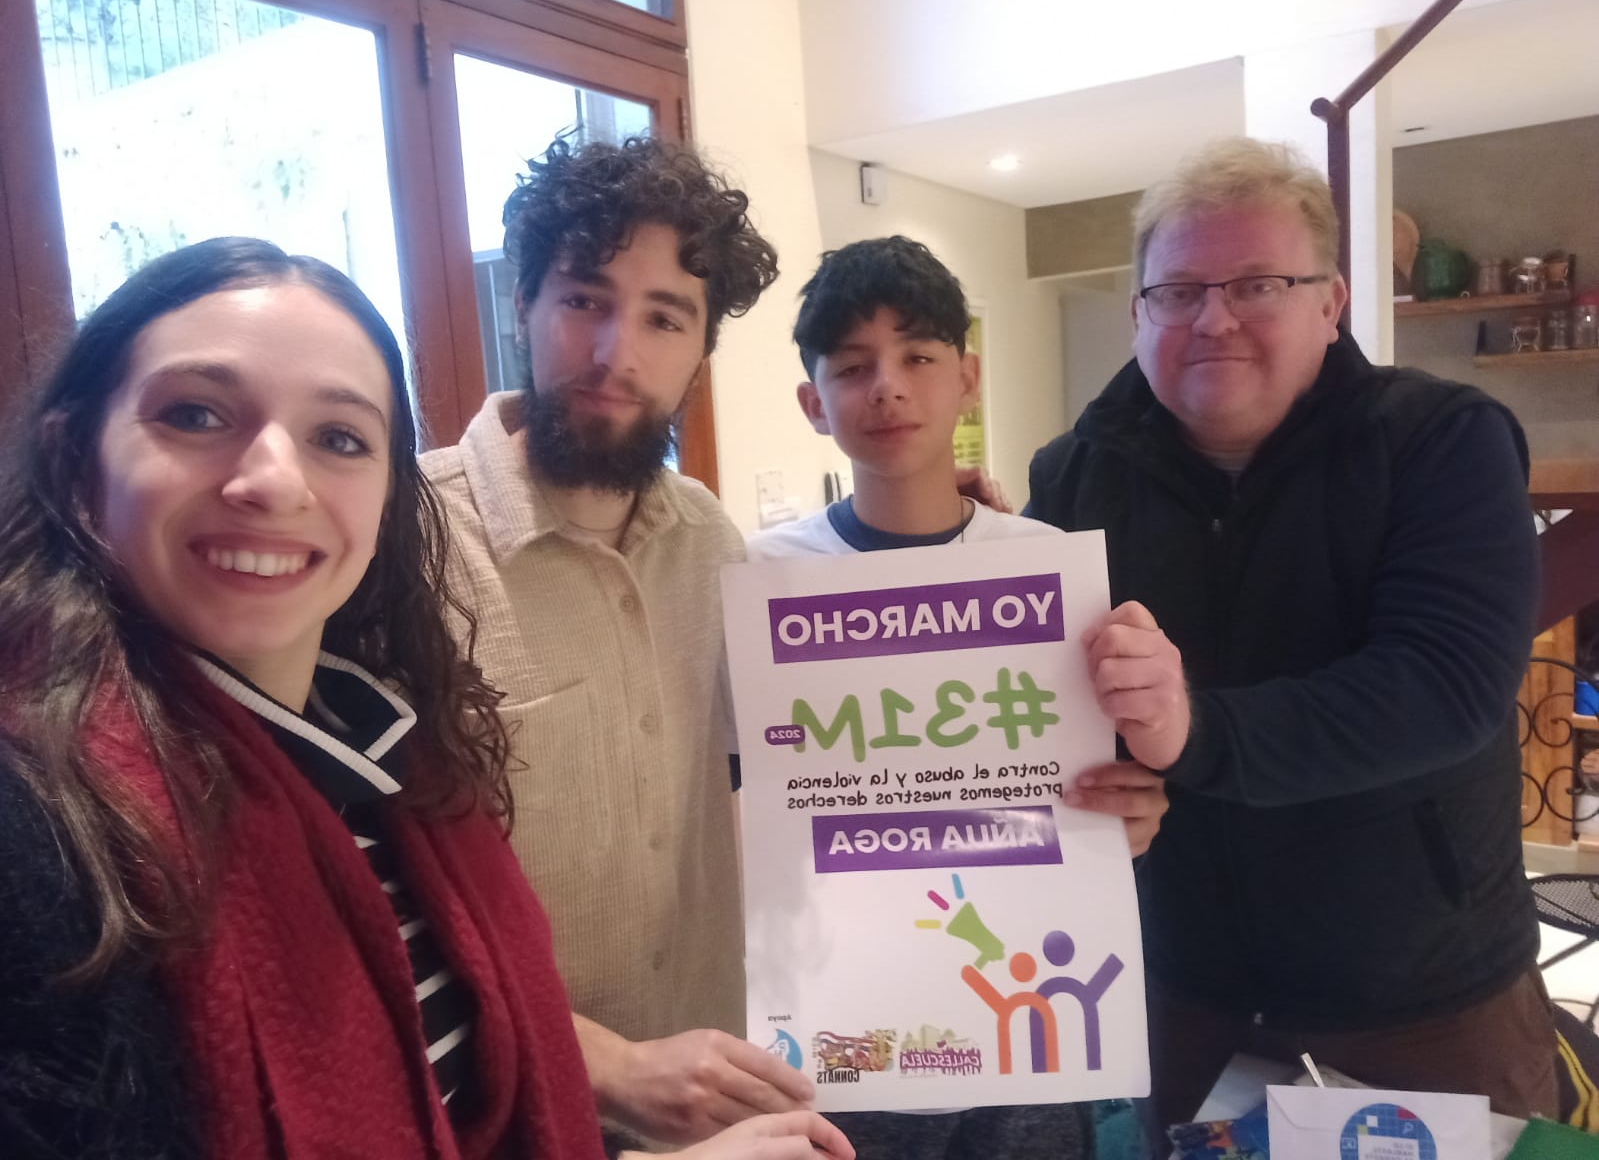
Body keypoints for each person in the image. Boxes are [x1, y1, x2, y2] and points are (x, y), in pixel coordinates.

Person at [0, 237, 852, 1160]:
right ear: (74, 456)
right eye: (195, 414)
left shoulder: (388, 755)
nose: (275, 482)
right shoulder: (41, 829)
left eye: (339, 438)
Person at [1023, 138, 1553, 1137]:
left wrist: (1196, 732)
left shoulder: (1441, 439)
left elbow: (1444, 686)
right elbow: (1050, 714)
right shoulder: (1071, 475)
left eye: (1257, 284)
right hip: (1179, 990)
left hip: (1421, 1001)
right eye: (1178, 291)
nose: (1213, 318)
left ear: (1330, 302)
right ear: (1138, 312)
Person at [421, 135, 816, 1147]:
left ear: (701, 349)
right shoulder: (403, 547)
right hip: (504, 1113)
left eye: (664, 318)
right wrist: (605, 1064)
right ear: (524, 304)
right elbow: (354, 891)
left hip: (713, 1099)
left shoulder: (711, 540)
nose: (616, 354)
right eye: (583, 300)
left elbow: (819, 771)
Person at [747, 235, 1170, 1160]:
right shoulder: (763, 578)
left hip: (1023, 1022)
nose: (886, 388)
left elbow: (1098, 782)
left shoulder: (1045, 565)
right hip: (847, 1023)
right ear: (812, 404)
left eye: (918, 357)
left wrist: (1124, 820)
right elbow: (744, 788)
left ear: (968, 378)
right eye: (851, 368)